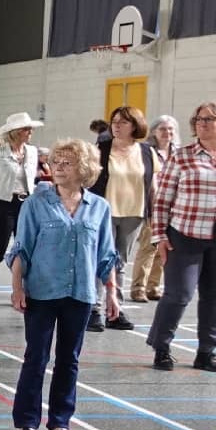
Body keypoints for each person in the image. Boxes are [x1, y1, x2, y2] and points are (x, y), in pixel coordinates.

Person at [8, 138, 119, 430]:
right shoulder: (36, 204)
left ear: (83, 169)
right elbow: (21, 249)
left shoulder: (99, 208)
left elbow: (106, 255)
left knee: (69, 359)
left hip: (80, 294)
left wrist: (111, 293)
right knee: (36, 356)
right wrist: (17, 288)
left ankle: (60, 421)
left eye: (66, 163)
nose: (57, 168)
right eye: (55, 162)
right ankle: (27, 420)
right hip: (42, 293)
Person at [146, 101, 216, 373]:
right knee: (178, 294)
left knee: (215, 296)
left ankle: (206, 352)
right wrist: (159, 236)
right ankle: (162, 347)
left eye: (208, 119)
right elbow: (162, 200)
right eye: (198, 119)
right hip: (184, 235)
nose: (201, 123)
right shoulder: (181, 156)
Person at [86, 106, 158, 332]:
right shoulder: (101, 148)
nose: (116, 125)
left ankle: (114, 311)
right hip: (105, 212)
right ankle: (93, 309)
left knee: (120, 262)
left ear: (135, 126)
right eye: (114, 121)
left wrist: (155, 215)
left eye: (122, 122)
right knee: (101, 260)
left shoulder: (147, 152)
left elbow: (153, 185)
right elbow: (88, 179)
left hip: (134, 213)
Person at [0, 112, 43, 308]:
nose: (30, 131)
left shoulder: (32, 152)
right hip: (3, 205)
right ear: (15, 133)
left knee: (27, 249)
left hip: (26, 204)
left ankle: (26, 290)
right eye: (26, 128)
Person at [131, 115, 180, 302]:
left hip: (174, 206)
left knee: (165, 247)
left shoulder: (178, 152)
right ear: (153, 132)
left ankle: (153, 286)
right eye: (162, 129)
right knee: (148, 246)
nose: (167, 133)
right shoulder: (146, 151)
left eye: (170, 129)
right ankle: (138, 287)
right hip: (152, 203)